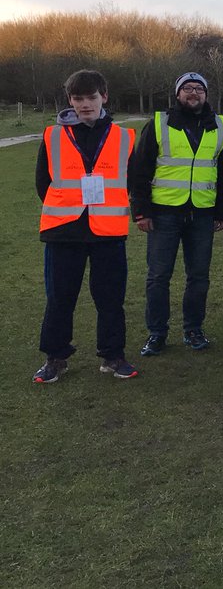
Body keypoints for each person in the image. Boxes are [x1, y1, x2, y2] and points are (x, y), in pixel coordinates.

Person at [33, 69, 138, 383]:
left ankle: (112, 356)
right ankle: (56, 357)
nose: (85, 104)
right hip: (64, 230)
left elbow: (132, 180)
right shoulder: (52, 135)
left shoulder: (123, 136)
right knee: (60, 297)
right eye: (78, 98)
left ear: (104, 96)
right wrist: (69, 207)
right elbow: (43, 182)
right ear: (70, 101)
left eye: (91, 97)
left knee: (110, 298)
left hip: (108, 230)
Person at [130, 71, 223, 356]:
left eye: (198, 88)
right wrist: (140, 211)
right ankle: (157, 333)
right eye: (186, 88)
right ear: (177, 94)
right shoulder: (159, 123)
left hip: (202, 213)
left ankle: (193, 329)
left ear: (206, 94)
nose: (193, 93)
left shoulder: (221, 125)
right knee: (158, 276)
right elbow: (140, 169)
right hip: (163, 213)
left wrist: (221, 211)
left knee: (199, 276)